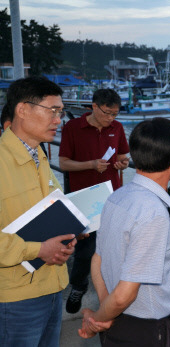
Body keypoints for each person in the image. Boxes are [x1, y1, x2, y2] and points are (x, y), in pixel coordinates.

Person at [78, 117, 170, 346]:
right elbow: (125, 294)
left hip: (118, 320)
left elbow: (98, 259)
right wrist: (98, 320)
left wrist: (105, 311)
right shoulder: (153, 213)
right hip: (146, 329)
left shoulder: (117, 197)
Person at [0, 76, 77, 346]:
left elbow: (53, 210)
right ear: (22, 110)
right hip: (15, 297)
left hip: (53, 286)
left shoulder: (39, 156)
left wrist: (71, 233)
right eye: (52, 111)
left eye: (61, 112)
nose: (58, 119)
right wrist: (38, 250)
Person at [59, 88, 130, 314]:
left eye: (115, 114)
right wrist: (90, 165)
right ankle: (78, 286)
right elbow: (63, 163)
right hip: (84, 198)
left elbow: (122, 156)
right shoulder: (72, 128)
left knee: (114, 249)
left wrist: (122, 164)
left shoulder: (117, 128)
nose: (111, 118)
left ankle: (111, 297)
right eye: (107, 113)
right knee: (84, 250)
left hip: (112, 197)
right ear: (94, 106)